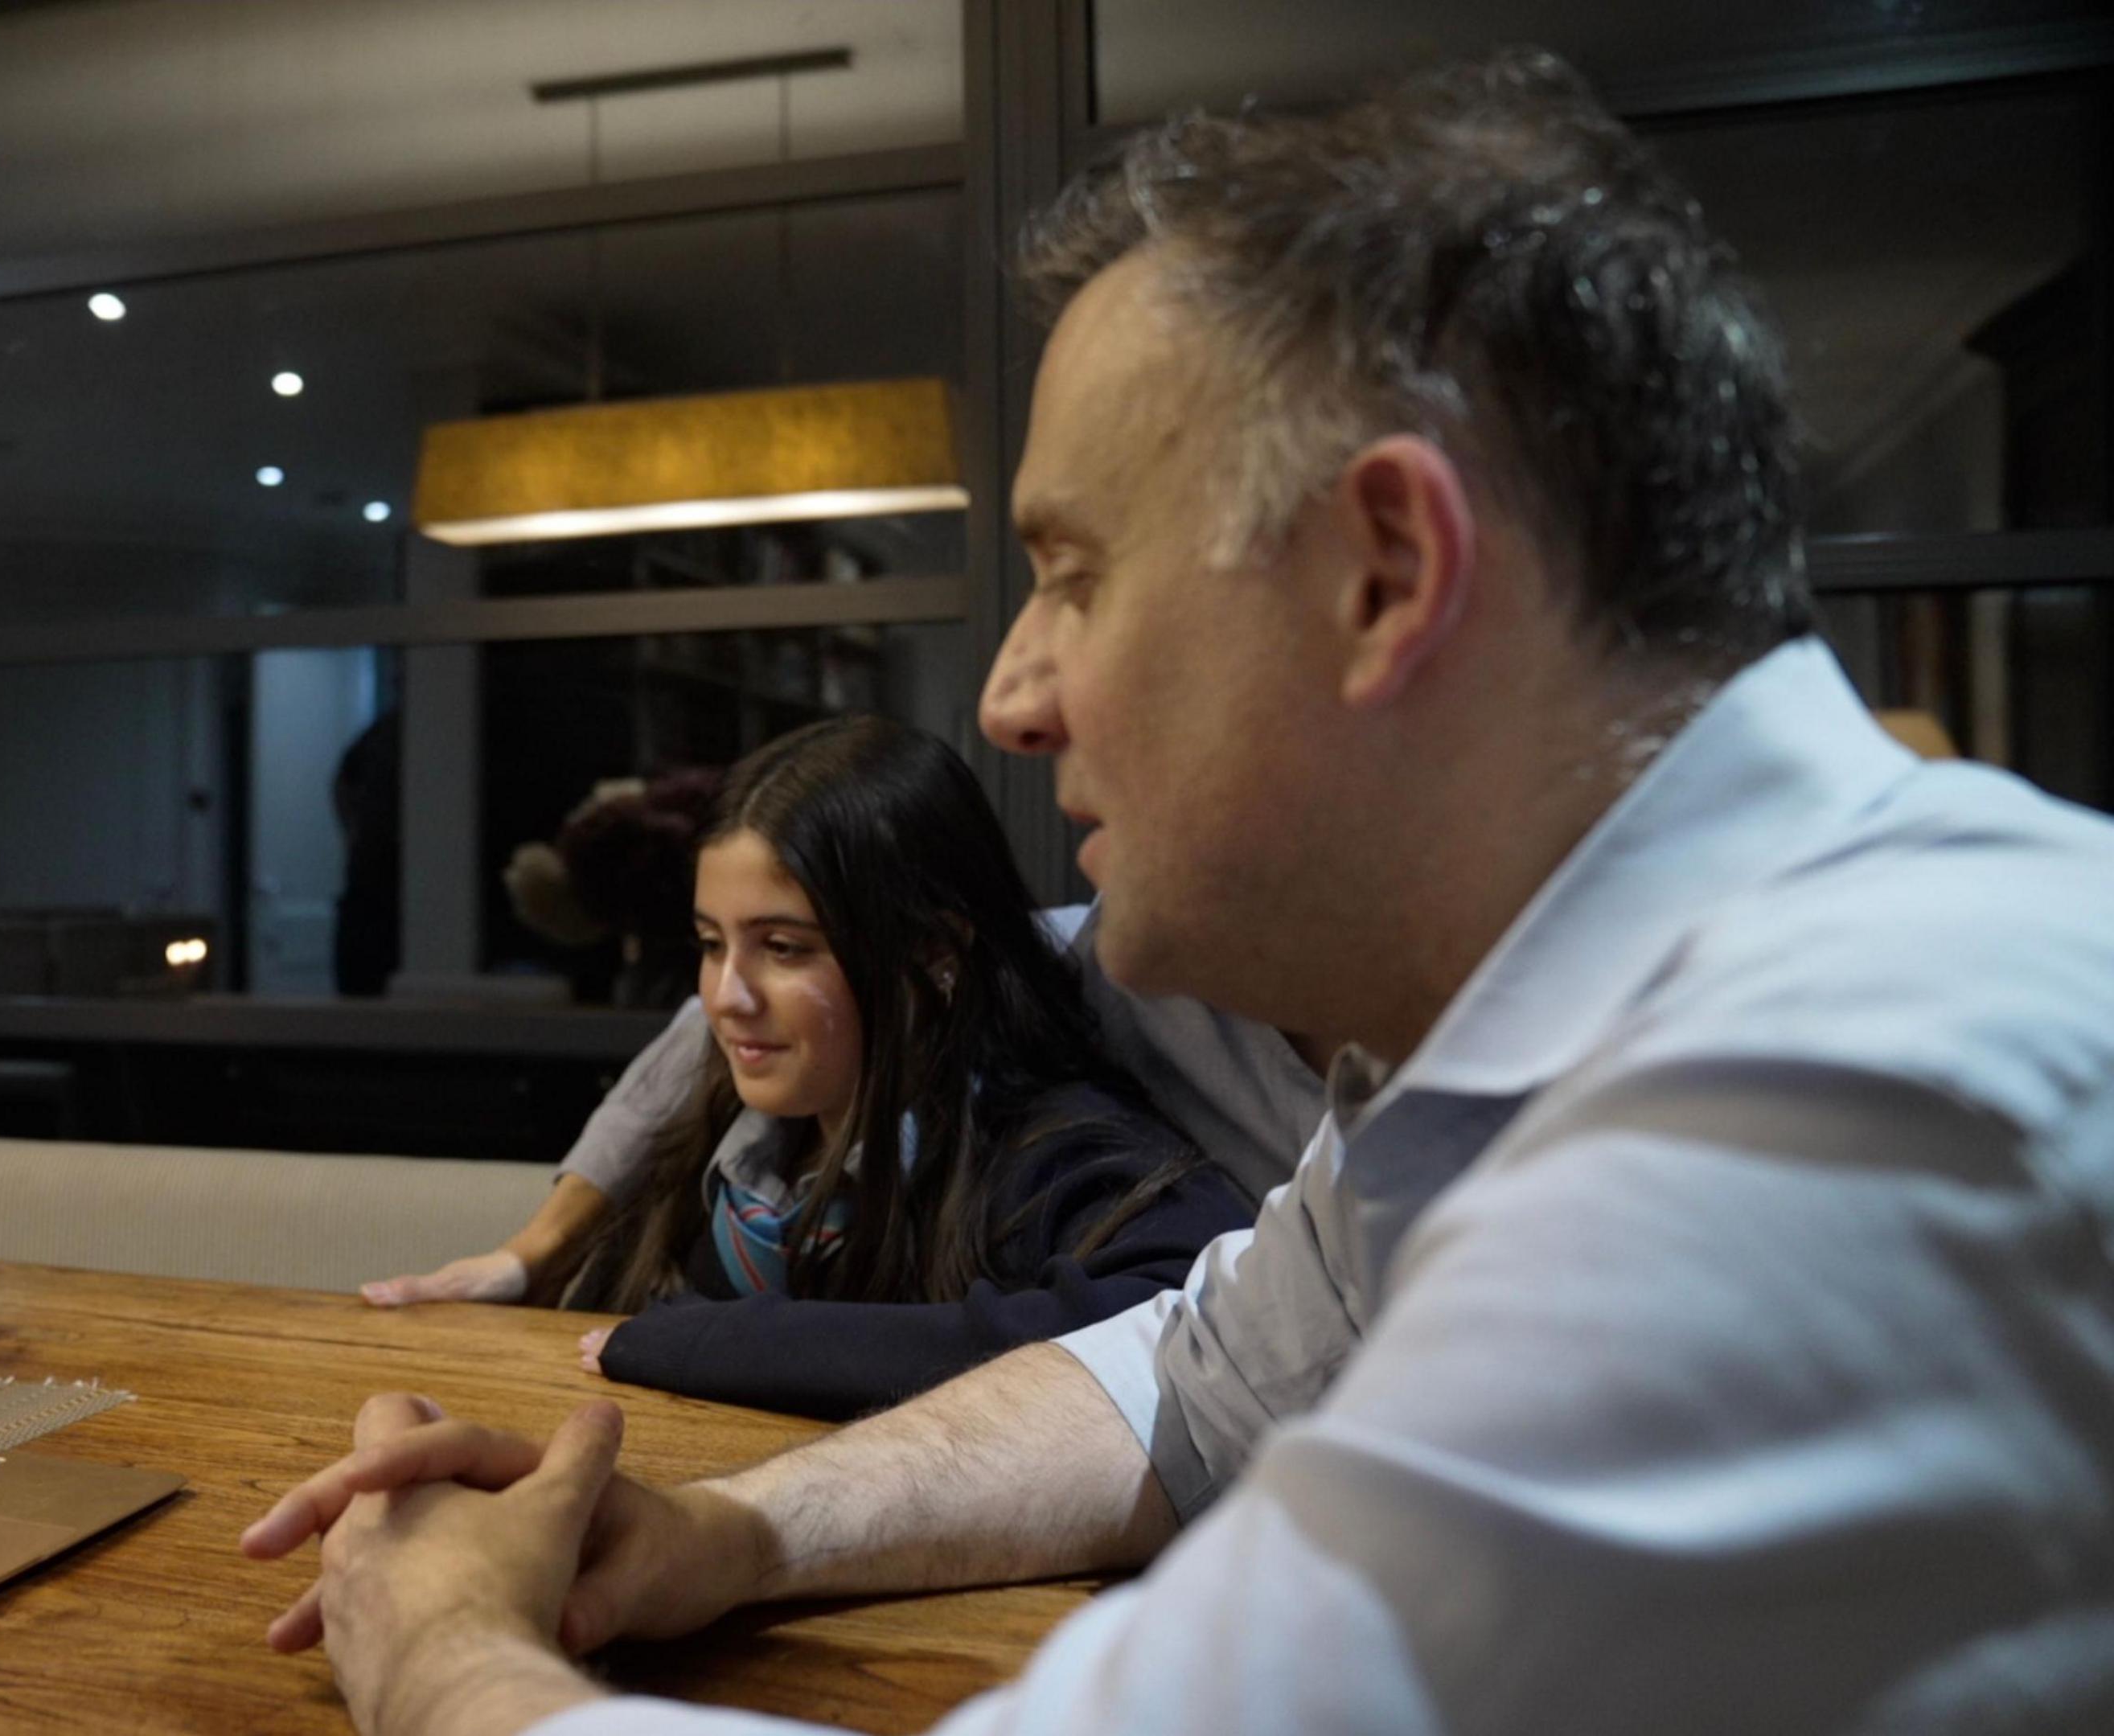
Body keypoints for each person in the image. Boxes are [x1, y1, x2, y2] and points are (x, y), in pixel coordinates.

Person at [244, 51, 2114, 1736]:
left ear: (1383, 572)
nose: (1006, 694)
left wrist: (449, 1662)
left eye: (1070, 573)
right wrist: (719, 1533)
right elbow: (1186, 1386)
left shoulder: (1840, 1119)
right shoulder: (1530, 1038)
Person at [547, 715, 1250, 1419]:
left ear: (934, 956)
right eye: (709, 943)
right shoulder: (725, 1129)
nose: (727, 997)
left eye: (785, 947)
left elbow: (1185, 1312)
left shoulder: (1050, 1149)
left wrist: (738, 1341)